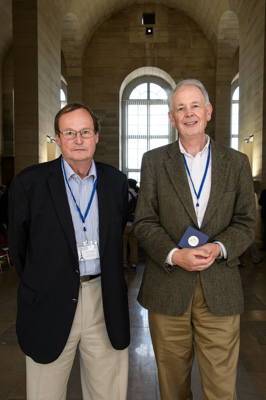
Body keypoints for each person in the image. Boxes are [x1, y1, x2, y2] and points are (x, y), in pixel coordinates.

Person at [133, 79, 256, 400]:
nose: (189, 114)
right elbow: (144, 220)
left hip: (221, 289)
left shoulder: (237, 162)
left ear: (209, 112)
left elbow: (246, 221)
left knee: (221, 389)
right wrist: (174, 254)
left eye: (195, 106)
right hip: (168, 288)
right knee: (172, 389)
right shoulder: (154, 161)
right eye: (180, 108)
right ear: (172, 117)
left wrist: (219, 247)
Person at [8, 103, 130, 400]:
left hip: (104, 299)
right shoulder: (29, 183)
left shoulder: (115, 181)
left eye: (85, 131)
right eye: (70, 132)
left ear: (96, 136)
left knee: (108, 393)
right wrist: (45, 280)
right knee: (45, 393)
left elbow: (116, 239)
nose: (79, 139)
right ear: (58, 138)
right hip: (48, 300)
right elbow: (19, 248)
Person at [123, 178, 139, 271]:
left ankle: (124, 264)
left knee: (123, 244)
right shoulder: (138, 194)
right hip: (135, 223)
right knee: (134, 244)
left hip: (126, 223)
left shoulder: (127, 195)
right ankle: (133, 264)